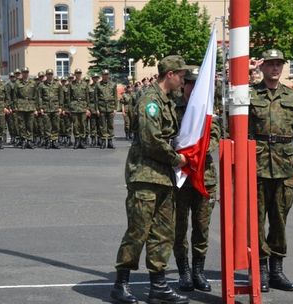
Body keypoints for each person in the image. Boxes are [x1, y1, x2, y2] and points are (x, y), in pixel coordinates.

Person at [111, 55, 190, 304]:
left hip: (163, 177)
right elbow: (151, 140)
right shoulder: (150, 101)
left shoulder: (166, 101)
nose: (183, 80)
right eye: (181, 76)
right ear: (170, 75)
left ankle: (159, 285)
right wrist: (177, 159)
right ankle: (120, 284)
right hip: (145, 176)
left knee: (162, 233)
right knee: (138, 231)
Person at [249, 49, 293, 293]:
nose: (275, 68)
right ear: (262, 67)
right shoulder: (251, 95)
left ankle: (276, 269)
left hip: (284, 168)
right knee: (256, 221)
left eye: (278, 64)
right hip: (258, 166)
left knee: (279, 221)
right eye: (271, 64)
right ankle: (260, 269)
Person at [172, 66, 221, 293]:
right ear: (184, 84)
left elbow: (216, 137)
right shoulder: (173, 108)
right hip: (180, 177)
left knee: (202, 228)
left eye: (197, 83)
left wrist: (196, 152)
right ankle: (183, 272)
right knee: (179, 228)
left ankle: (198, 271)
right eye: (189, 82)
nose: (193, 87)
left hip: (204, 175)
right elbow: (167, 137)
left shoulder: (208, 109)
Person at [13, 67, 38, 149]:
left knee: (30, 125)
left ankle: (29, 141)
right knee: (21, 125)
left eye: (26, 72)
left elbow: (36, 96)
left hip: (30, 106)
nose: (25, 73)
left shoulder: (33, 83)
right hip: (21, 106)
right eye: (23, 72)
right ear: (22, 73)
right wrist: (15, 106)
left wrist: (36, 108)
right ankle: (23, 140)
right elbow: (15, 96)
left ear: (28, 73)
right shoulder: (17, 83)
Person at [38, 69, 63, 149]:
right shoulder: (42, 85)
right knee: (47, 126)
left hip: (55, 107)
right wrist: (40, 107)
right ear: (46, 75)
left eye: (51, 74)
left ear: (53, 75)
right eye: (48, 74)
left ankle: (54, 141)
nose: (50, 75)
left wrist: (60, 107)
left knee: (55, 125)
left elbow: (61, 96)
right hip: (46, 108)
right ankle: (48, 141)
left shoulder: (57, 85)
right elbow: (39, 97)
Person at [67, 68, 90, 149]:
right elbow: (68, 97)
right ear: (75, 74)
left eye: (79, 73)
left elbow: (88, 97)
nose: (78, 74)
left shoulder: (85, 84)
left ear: (81, 74)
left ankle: (82, 141)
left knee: (83, 124)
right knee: (76, 125)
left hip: (83, 106)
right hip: (74, 107)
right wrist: (69, 108)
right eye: (77, 73)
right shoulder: (71, 84)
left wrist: (88, 109)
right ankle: (77, 141)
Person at [94, 69, 118, 149]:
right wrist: (97, 109)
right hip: (102, 107)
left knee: (110, 125)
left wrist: (115, 108)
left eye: (107, 74)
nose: (105, 76)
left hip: (110, 107)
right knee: (102, 125)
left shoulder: (113, 84)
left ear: (108, 75)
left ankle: (110, 141)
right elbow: (96, 98)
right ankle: (104, 141)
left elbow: (115, 97)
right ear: (102, 75)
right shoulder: (98, 85)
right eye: (104, 74)